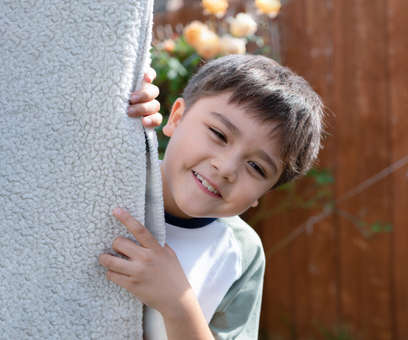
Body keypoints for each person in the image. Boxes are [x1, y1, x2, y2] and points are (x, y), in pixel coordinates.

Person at [98, 54, 324, 339]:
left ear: (262, 195)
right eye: (219, 134)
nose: (226, 168)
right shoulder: (107, 177)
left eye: (256, 167)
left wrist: (177, 303)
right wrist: (116, 108)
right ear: (177, 118)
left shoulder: (242, 253)